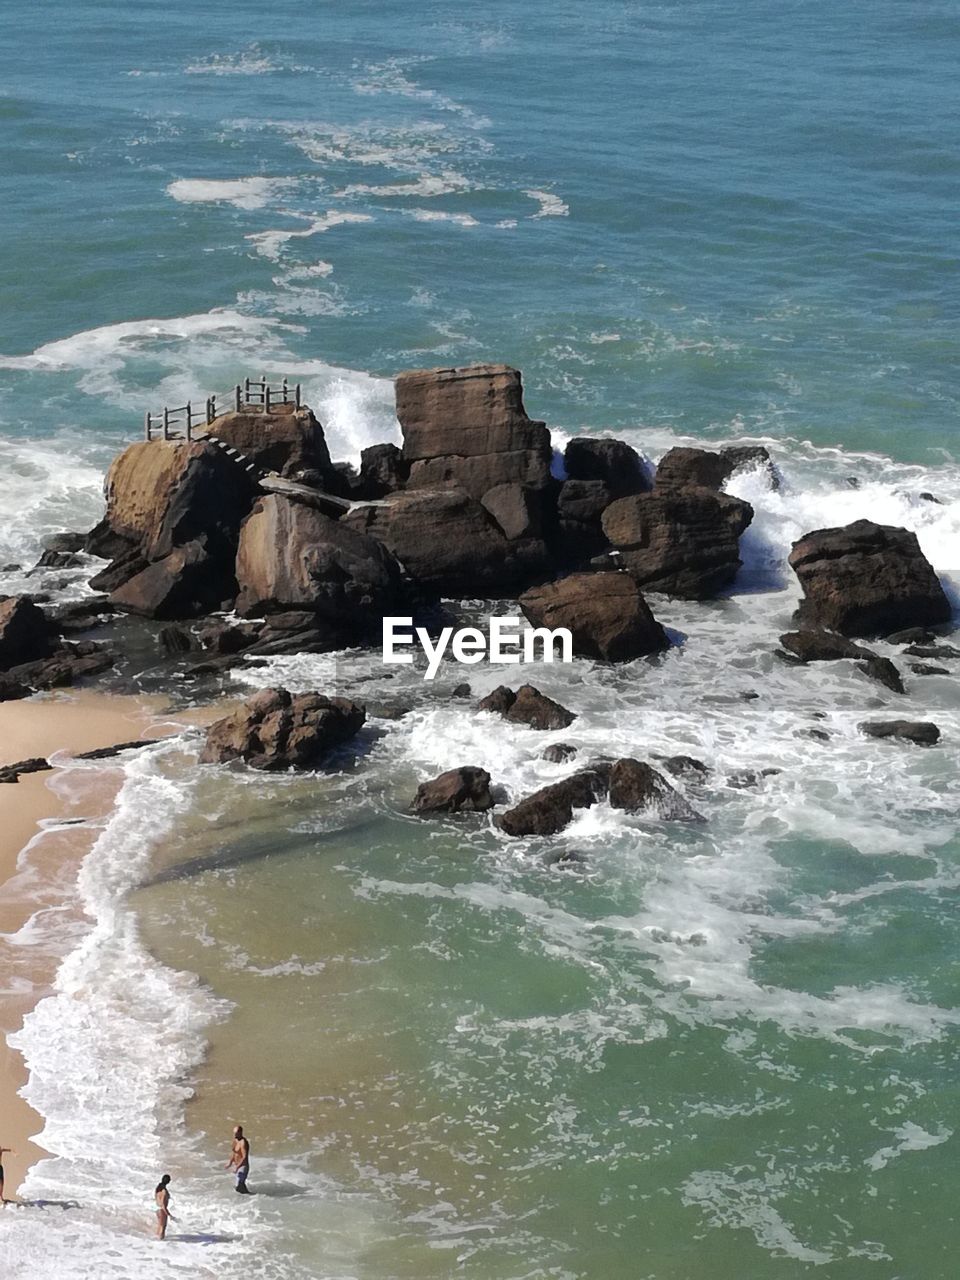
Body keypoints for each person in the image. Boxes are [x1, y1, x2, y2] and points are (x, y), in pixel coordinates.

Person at [225, 1124, 250, 1194]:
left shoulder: (243, 1142)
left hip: (243, 1167)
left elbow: (244, 1157)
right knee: (238, 1186)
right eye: (234, 1133)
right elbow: (234, 1153)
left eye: (236, 1134)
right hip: (238, 1166)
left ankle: (250, 1198)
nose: (235, 1135)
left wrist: (237, 1167)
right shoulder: (235, 1140)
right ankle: (248, 1197)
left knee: (239, 1184)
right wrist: (230, 1162)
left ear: (241, 1132)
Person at [154, 1173, 174, 1240]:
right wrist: (169, 1215)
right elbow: (163, 1205)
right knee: (163, 1226)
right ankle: (161, 1241)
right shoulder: (164, 1191)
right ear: (168, 1181)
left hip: (157, 1209)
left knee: (159, 1225)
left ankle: (156, 1240)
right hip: (162, 1210)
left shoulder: (158, 1188)